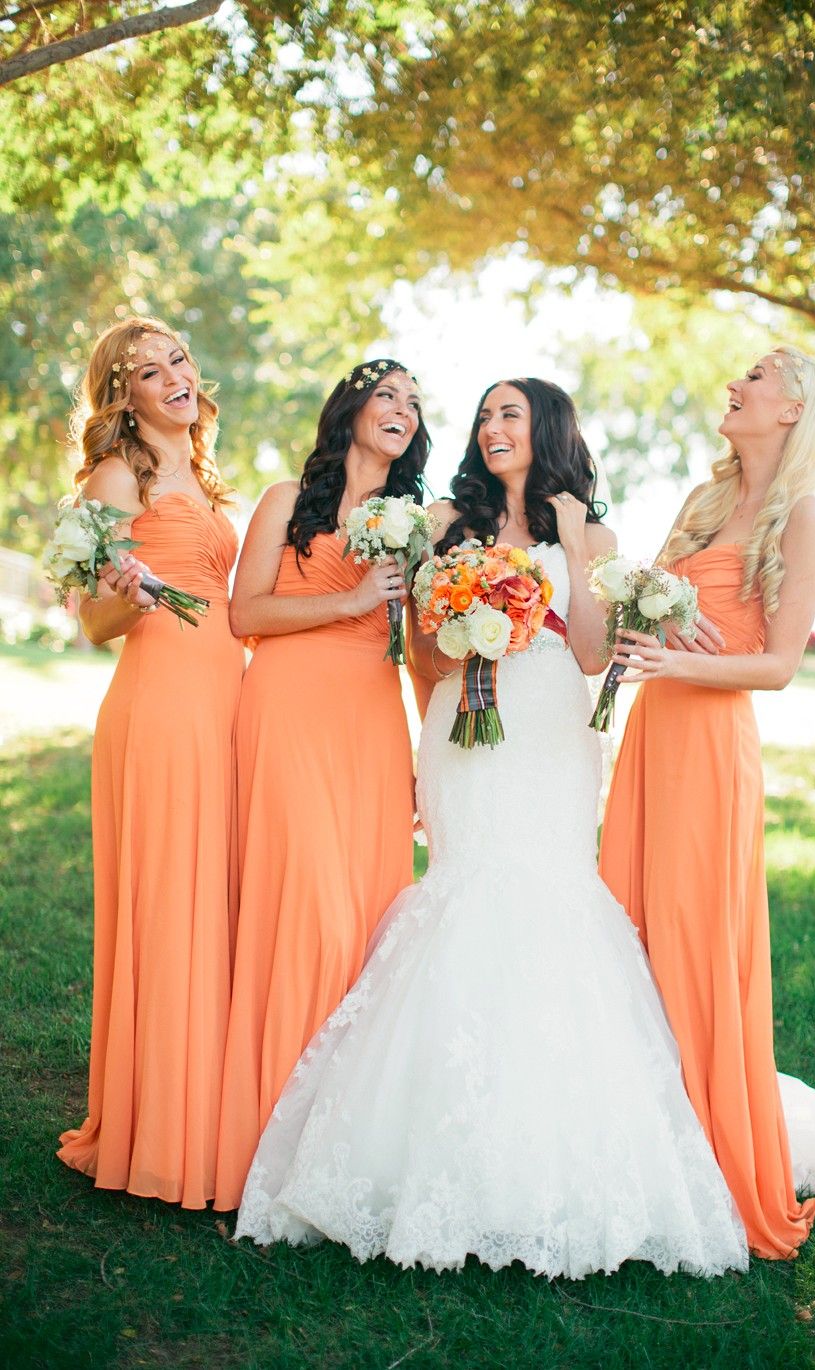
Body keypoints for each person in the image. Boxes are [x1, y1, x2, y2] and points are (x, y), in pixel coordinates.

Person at [233, 378, 749, 1279]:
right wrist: (470, 630)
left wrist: (576, 541)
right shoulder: (443, 523)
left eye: (510, 413)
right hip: (460, 726)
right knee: (461, 894)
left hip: (547, 724)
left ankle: (553, 1153)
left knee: (548, 895)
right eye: (483, 415)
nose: (491, 427)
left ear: (545, 428)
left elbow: (590, 652)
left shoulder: (592, 532)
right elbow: (424, 654)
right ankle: (418, 1152)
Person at [599, 344, 815, 1256]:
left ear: (791, 409)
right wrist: (643, 630)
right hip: (653, 732)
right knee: (632, 925)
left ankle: (708, 1135)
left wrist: (678, 657)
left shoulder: (803, 518)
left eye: (760, 375)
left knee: (695, 937)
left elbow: (776, 666)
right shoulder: (699, 506)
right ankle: (631, 1127)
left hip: (708, 747)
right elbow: (635, 615)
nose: (736, 381)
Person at [213, 360, 430, 1211]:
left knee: (369, 914)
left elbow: (412, 648)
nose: (403, 411)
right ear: (349, 409)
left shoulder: (411, 522)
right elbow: (245, 615)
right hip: (290, 708)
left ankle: (340, 1145)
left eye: (414, 404)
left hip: (373, 723)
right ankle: (259, 1135)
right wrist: (345, 605)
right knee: (307, 910)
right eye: (389, 395)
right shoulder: (282, 500)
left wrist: (425, 753)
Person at [58, 316, 244, 1208]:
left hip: (225, 700)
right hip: (162, 703)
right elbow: (91, 620)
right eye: (145, 369)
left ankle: (204, 1102)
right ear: (122, 397)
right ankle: (160, 1125)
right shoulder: (115, 475)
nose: (171, 373)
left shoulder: (203, 480)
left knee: (212, 895)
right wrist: (126, 597)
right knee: (171, 896)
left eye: (177, 356)